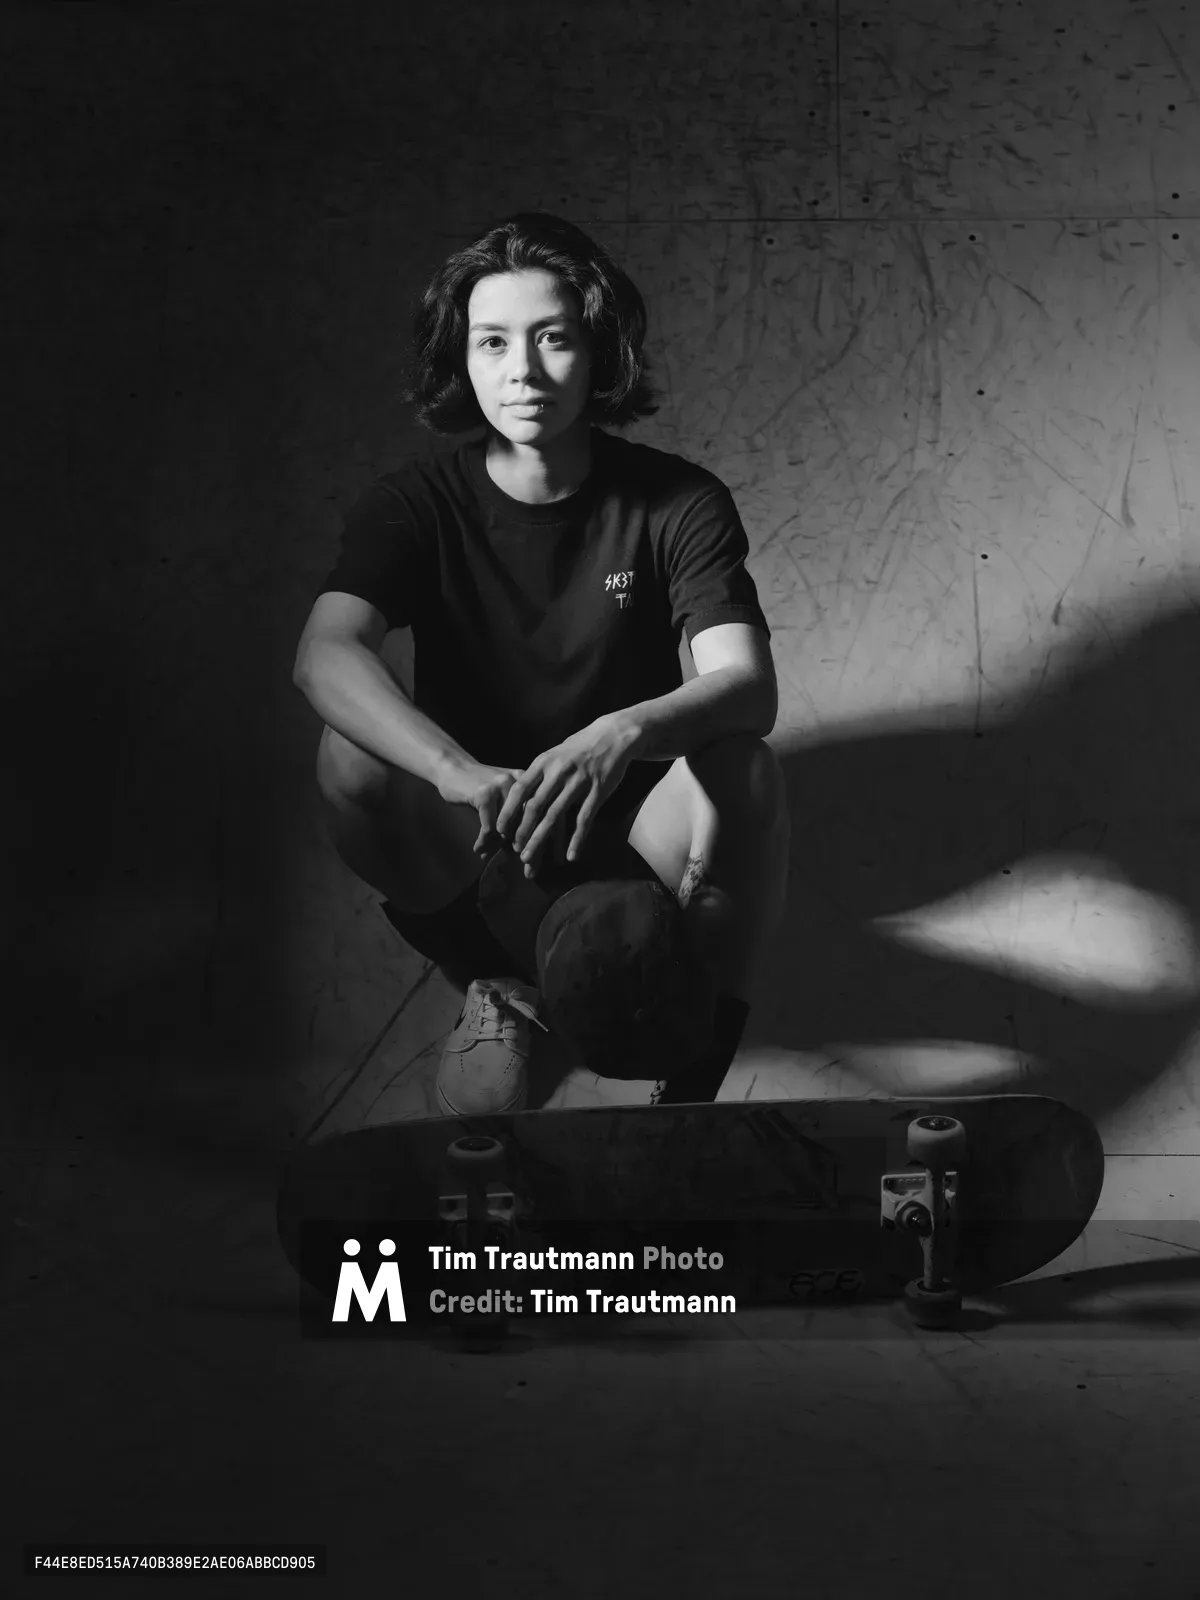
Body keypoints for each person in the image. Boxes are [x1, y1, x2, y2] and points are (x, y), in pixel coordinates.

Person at [293, 212, 790, 1114]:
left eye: (553, 338)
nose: (521, 370)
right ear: (465, 358)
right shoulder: (414, 504)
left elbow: (747, 686)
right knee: (349, 752)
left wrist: (621, 733)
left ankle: (694, 1070)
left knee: (742, 768)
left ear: (599, 351)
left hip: (631, 814)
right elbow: (324, 653)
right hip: (484, 821)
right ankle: (497, 983)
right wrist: (455, 772)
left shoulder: (676, 499)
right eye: (492, 342)